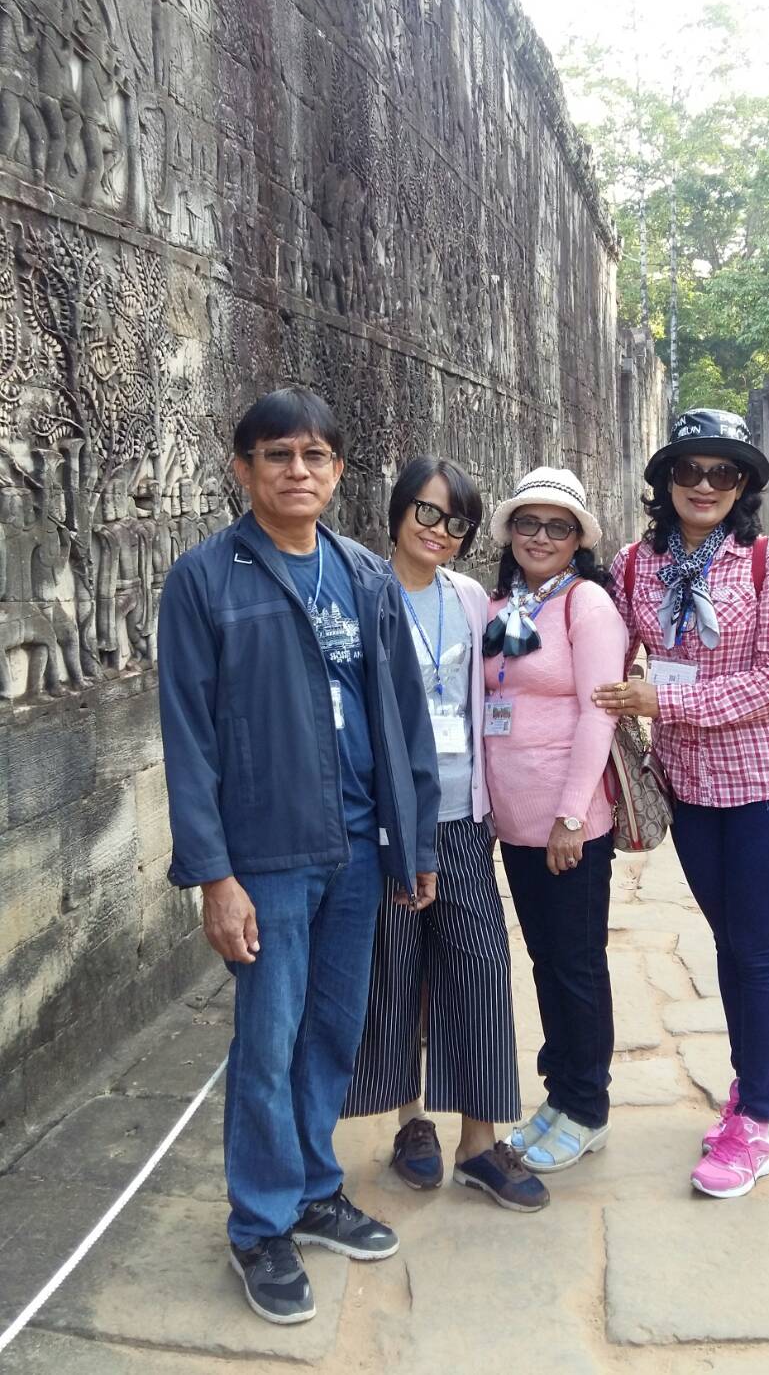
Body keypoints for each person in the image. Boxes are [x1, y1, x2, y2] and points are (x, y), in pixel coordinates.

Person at [157, 388, 441, 1326]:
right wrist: (214, 876)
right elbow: (188, 736)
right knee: (267, 1042)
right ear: (243, 469)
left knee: (331, 1033)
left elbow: (404, 716)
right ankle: (260, 1224)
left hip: (358, 844)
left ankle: (315, 1187)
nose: (297, 471)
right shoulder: (207, 579)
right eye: (277, 455)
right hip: (267, 854)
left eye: (315, 455)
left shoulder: (363, 575)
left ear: (338, 471)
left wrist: (415, 839)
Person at [593, 409, 769, 1200]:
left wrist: (666, 700)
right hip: (689, 787)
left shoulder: (766, 560)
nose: (704, 484)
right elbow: (600, 643)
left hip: (767, 785)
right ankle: (757, 1087)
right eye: (689, 469)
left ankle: (755, 1121)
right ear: (665, 480)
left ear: (743, 484)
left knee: (758, 948)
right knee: (729, 942)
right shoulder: (634, 565)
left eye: (723, 472)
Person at [344, 457, 547, 1212]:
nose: (439, 531)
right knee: (397, 969)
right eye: (427, 512)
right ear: (399, 510)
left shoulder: (467, 598)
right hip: (390, 820)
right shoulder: (363, 591)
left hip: (461, 812)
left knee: (480, 966)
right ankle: (410, 1123)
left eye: (456, 521)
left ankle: (479, 1142)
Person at [482, 467, 627, 1174]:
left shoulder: (586, 605)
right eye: (528, 523)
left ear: (577, 541)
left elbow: (601, 712)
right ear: (510, 532)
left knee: (576, 964)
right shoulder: (503, 606)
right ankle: (559, 1092)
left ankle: (587, 1106)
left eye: (557, 527)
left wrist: (571, 814)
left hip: (569, 823)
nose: (540, 537)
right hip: (514, 822)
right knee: (545, 960)